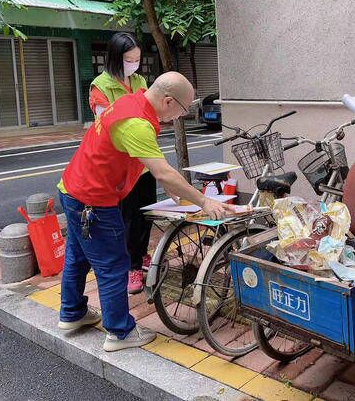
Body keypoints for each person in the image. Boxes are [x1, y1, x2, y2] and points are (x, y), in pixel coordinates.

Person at [56, 72, 234, 352]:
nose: (180, 117)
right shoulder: (137, 123)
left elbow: (137, 159)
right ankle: (120, 332)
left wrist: (171, 187)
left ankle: (72, 312)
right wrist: (204, 201)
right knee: (113, 266)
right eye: (183, 110)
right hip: (94, 200)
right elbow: (162, 170)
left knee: (77, 257)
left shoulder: (130, 103)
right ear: (167, 101)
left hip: (72, 190)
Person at [90, 32, 155, 295]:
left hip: (144, 161)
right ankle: (132, 267)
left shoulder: (139, 80)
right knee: (128, 218)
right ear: (116, 58)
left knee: (146, 214)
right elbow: (107, 125)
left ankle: (140, 254)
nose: (134, 64)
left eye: (137, 59)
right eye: (129, 59)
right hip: (120, 165)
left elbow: (149, 110)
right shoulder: (101, 86)